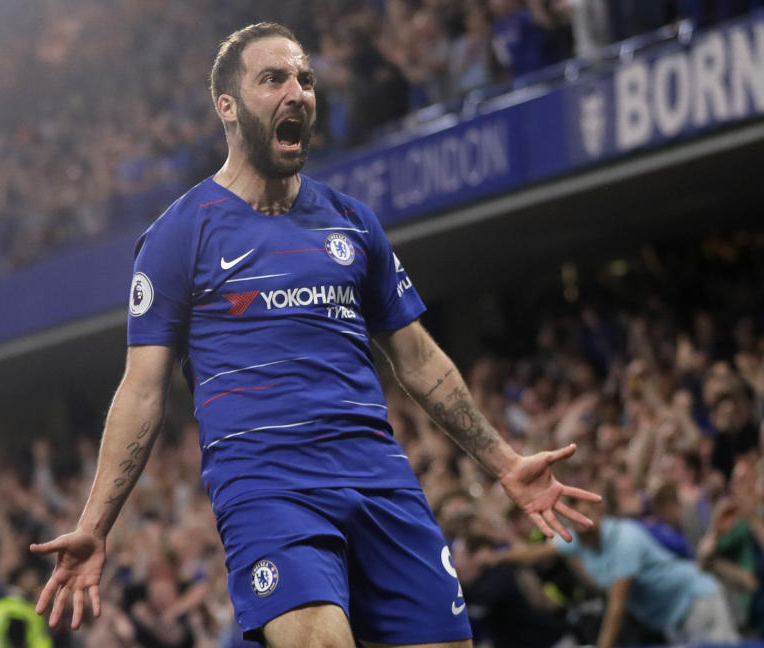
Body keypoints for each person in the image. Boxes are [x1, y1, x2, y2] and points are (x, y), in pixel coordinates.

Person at [29, 22, 600, 648]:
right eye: (272, 78)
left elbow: (418, 359)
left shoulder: (354, 223)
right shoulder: (180, 235)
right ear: (228, 106)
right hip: (268, 487)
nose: (296, 91)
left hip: (379, 478)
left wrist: (506, 463)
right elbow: (142, 390)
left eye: (304, 78)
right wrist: (95, 523)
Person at [494, 495, 740, 647]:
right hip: (670, 617)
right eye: (577, 517)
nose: (585, 520)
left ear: (599, 513)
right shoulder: (578, 540)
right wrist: (495, 557)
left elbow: (617, 606)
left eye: (589, 513)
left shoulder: (625, 539)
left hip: (697, 602)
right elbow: (535, 553)